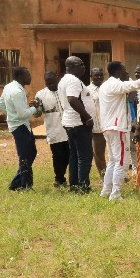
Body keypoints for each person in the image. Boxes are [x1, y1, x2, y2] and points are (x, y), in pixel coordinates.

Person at [98, 61, 140, 200]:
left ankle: (106, 191)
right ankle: (115, 194)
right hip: (117, 128)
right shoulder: (115, 84)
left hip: (109, 128)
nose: (126, 73)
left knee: (113, 161)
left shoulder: (104, 85)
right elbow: (129, 85)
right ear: (118, 72)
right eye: (124, 70)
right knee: (121, 162)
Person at [0, 66, 40, 191]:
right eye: (28, 75)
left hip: (18, 125)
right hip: (20, 126)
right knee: (26, 155)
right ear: (21, 77)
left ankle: (16, 183)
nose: (30, 77)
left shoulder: (8, 87)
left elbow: (1, 104)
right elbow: (22, 114)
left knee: (31, 152)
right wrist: (35, 108)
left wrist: (11, 115)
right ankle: (25, 185)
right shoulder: (17, 91)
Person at [58, 56, 96, 193]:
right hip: (79, 123)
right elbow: (72, 99)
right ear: (71, 67)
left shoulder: (65, 80)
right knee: (85, 156)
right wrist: (87, 117)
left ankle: (74, 185)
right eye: (80, 64)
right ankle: (83, 186)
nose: (84, 67)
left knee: (74, 155)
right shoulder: (72, 80)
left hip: (70, 122)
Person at [35, 70, 70, 187]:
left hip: (68, 129)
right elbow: (37, 114)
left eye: (53, 82)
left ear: (57, 78)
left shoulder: (64, 91)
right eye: (48, 83)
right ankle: (59, 179)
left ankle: (64, 177)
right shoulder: (40, 94)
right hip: (54, 130)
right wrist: (35, 108)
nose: (51, 85)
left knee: (68, 155)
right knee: (57, 156)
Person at [89, 67, 107, 179]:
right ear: (91, 77)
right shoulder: (87, 91)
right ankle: (104, 176)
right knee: (99, 154)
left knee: (115, 152)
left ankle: (117, 174)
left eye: (101, 75)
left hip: (110, 125)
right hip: (97, 127)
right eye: (96, 75)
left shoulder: (107, 88)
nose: (99, 77)